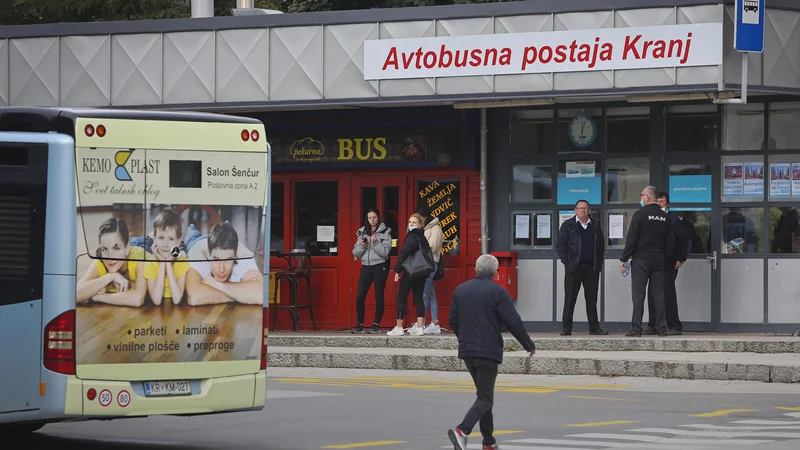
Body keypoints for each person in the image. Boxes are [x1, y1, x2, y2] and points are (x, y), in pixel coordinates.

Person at [447, 254, 536, 450]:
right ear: (496, 273)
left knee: (484, 395)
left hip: (468, 351)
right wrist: (527, 344)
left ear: (475, 270)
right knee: (485, 397)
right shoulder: (498, 291)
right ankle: (462, 431)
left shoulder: (460, 290)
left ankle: (489, 442)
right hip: (488, 351)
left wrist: (465, 338)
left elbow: (452, 320)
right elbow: (513, 321)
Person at [619, 186, 675, 337]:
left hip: (641, 260)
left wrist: (624, 258)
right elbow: (671, 243)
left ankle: (636, 328)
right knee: (658, 294)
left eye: (642, 196)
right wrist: (664, 256)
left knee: (639, 294)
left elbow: (631, 239)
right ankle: (661, 328)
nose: (641, 198)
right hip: (658, 260)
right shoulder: (665, 217)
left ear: (648, 197)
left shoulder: (639, 215)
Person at [556, 199, 608, 336]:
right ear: (575, 210)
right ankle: (566, 329)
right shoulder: (568, 225)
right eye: (580, 208)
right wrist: (567, 262)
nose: (582, 211)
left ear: (589, 210)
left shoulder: (595, 225)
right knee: (570, 299)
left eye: (585, 208)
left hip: (592, 268)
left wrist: (599, 264)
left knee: (592, 300)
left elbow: (601, 246)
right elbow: (560, 246)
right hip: (574, 268)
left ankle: (594, 328)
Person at [643, 193, 691, 336]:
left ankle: (674, 325)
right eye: (657, 201)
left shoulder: (672, 219)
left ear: (667, 203)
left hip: (669, 262)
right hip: (653, 260)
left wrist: (681, 258)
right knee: (652, 293)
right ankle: (653, 325)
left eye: (662, 201)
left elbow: (686, 239)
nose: (659, 203)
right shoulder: (651, 218)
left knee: (667, 293)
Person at [185, 222, 263, 305]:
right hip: (195, 243)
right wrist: (239, 292)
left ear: (235, 256)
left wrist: (218, 285)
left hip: (217, 241)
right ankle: (192, 227)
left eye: (227, 260)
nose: (221, 269)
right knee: (192, 234)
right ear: (209, 256)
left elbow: (261, 294)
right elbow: (194, 298)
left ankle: (225, 224)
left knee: (227, 229)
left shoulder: (244, 255)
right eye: (216, 260)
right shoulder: (198, 255)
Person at [76, 218, 147, 307]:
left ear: (127, 247)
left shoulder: (139, 257)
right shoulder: (101, 261)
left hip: (144, 245)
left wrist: (98, 297)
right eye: (105, 249)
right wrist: (111, 276)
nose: (110, 257)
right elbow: (75, 294)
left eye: (116, 248)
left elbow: (137, 299)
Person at [387, 213, 431, 336]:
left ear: (420, 224)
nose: (411, 224)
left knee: (401, 296)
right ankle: (420, 327)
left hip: (411, 271)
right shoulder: (423, 237)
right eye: (410, 222)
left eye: (414, 222)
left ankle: (399, 327)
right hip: (422, 271)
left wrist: (397, 270)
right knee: (418, 298)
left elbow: (403, 254)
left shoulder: (412, 237)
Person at [351, 208, 392, 334]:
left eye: (374, 217)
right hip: (366, 266)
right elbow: (355, 252)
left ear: (378, 218)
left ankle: (376, 324)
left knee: (378, 295)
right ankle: (360, 324)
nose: (372, 220)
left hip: (380, 266)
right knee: (360, 296)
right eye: (370, 218)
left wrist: (375, 243)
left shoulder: (385, 231)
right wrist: (362, 246)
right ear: (367, 219)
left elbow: (385, 252)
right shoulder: (362, 231)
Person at [144, 208, 190, 306]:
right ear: (155, 240)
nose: (165, 244)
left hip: (178, 250)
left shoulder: (183, 261)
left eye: (171, 238)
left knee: (187, 245)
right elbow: (156, 300)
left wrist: (167, 263)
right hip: (154, 250)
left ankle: (187, 237)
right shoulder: (149, 262)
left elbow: (177, 299)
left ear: (177, 240)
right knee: (143, 244)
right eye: (161, 238)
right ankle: (150, 237)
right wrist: (162, 262)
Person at [415, 205, 444, 335]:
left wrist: (418, 244)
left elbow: (433, 246)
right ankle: (434, 322)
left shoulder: (435, 228)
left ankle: (421, 323)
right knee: (431, 294)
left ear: (425, 217)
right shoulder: (426, 228)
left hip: (430, 264)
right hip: (424, 263)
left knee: (424, 294)